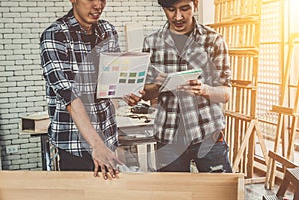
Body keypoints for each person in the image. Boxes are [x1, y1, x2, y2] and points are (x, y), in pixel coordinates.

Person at [40, 0, 141, 179]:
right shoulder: (55, 35)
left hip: (107, 141)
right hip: (75, 148)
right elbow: (69, 95)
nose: (98, 5)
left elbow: (111, 79)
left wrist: (124, 91)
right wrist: (97, 145)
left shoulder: (107, 30)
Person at [140, 0, 233, 172]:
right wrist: (159, 85)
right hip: (168, 137)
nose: (178, 17)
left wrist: (204, 89)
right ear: (163, 8)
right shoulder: (152, 43)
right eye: (171, 10)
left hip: (208, 134)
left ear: (195, 4)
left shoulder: (213, 40)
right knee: (174, 194)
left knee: (219, 192)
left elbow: (226, 93)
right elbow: (145, 94)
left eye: (185, 9)